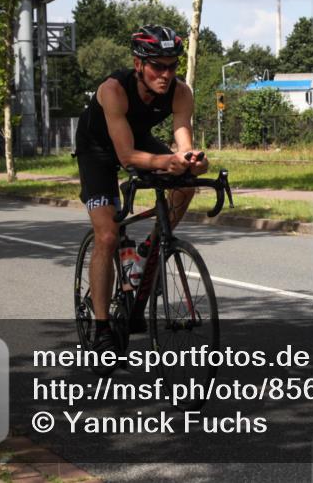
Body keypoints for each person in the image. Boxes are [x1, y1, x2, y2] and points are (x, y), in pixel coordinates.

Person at [74, 25, 209, 369]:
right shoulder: (113, 90)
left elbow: (183, 142)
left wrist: (192, 160)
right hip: (99, 150)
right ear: (138, 63)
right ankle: (103, 328)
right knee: (107, 234)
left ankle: (147, 252)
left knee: (186, 186)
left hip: (138, 139)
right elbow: (125, 156)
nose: (166, 74)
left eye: (172, 66)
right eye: (157, 66)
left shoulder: (181, 92)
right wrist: (169, 161)